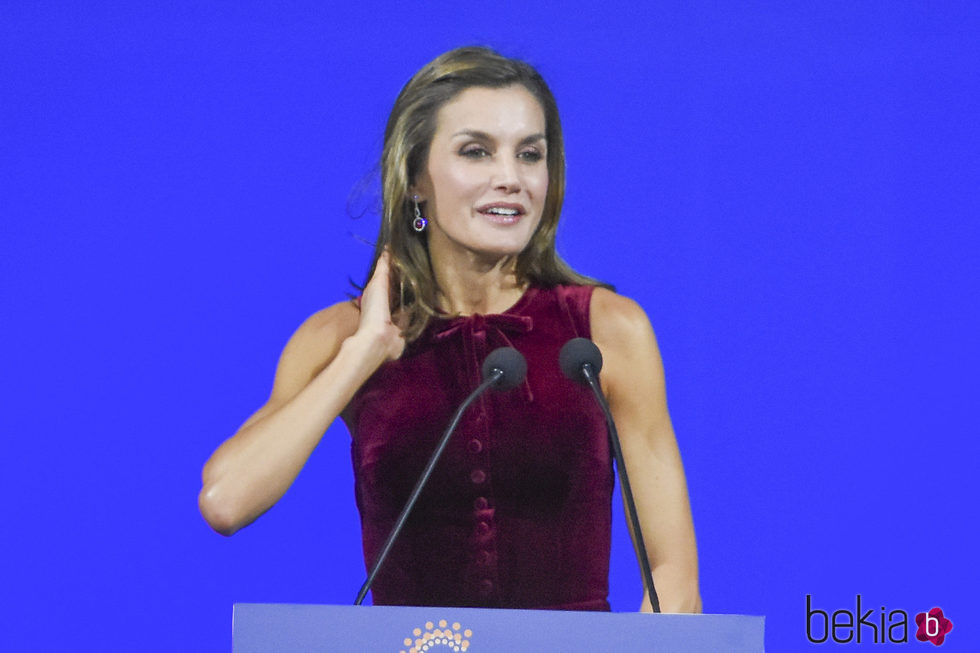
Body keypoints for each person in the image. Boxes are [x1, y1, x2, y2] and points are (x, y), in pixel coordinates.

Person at [199, 46, 701, 613]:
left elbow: (673, 576)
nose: (510, 178)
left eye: (530, 154)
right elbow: (225, 500)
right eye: (477, 152)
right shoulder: (336, 338)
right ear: (416, 178)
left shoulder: (606, 330)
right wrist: (363, 353)